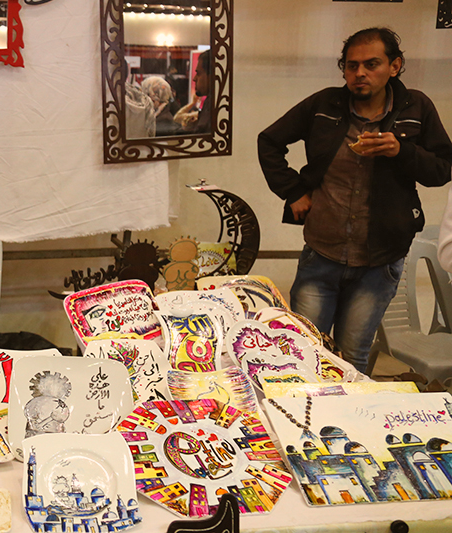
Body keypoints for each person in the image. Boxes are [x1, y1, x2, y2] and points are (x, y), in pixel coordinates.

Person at [258, 28, 452, 375]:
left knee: (351, 359)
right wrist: (293, 191)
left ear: (394, 66)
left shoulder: (417, 107)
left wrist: (401, 150)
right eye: (351, 65)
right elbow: (269, 141)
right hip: (322, 254)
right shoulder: (324, 105)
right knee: (304, 355)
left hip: (380, 262)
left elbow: (442, 169)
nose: (359, 73)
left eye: (371, 64)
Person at [173, 50, 212, 133]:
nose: (194, 79)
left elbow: (177, 117)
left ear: (212, 75)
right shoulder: (209, 103)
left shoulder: (213, 106)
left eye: (199, 73)